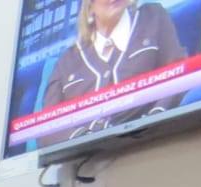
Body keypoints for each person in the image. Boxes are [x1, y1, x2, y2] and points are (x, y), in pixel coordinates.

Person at [41, 0, 186, 146]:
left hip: (152, 142)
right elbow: (47, 127)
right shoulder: (66, 61)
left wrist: (155, 118)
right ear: (89, 6)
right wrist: (82, 138)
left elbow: (178, 72)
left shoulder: (152, 17)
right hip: (89, 156)